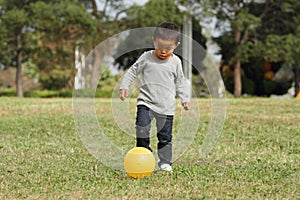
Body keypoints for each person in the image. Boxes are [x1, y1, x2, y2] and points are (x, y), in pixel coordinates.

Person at [119, 22, 190, 172]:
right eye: (160, 47)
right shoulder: (146, 57)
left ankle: (165, 162)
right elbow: (132, 71)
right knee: (142, 128)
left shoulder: (176, 62)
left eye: (168, 48)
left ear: (176, 45)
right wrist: (124, 86)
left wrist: (185, 98)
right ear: (154, 41)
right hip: (146, 102)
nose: (163, 51)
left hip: (166, 107)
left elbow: (180, 81)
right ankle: (144, 154)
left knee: (165, 137)